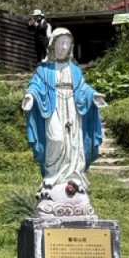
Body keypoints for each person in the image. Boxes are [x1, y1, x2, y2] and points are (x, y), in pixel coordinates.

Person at [22, 28, 106, 192]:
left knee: (73, 141)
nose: (64, 47)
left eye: (67, 43)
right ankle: (52, 174)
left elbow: (82, 88)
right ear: (53, 45)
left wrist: (93, 95)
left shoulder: (75, 69)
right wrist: (30, 96)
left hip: (73, 107)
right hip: (53, 105)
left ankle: (74, 175)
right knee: (56, 138)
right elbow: (35, 85)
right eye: (61, 43)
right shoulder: (44, 69)